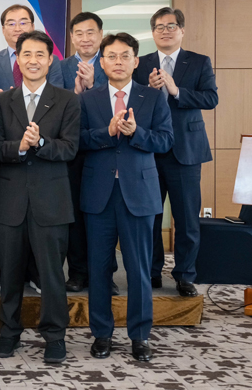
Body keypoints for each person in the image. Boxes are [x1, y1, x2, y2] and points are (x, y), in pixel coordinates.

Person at [80, 33, 174, 362]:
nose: (117, 62)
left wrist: (138, 134)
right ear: (101, 62)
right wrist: (104, 133)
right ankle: (102, 333)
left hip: (138, 194)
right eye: (111, 56)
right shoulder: (88, 99)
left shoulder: (153, 98)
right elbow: (76, 142)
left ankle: (140, 335)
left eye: (124, 56)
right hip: (99, 196)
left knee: (138, 268)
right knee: (100, 268)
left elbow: (165, 142)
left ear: (136, 61)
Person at [0, 30, 79, 364]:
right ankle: (9, 332)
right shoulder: (2, 101)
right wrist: (20, 147)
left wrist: (41, 144)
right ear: (18, 59)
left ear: (50, 59)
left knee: (51, 276)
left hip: (51, 201)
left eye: (40, 54)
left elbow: (71, 148)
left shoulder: (67, 99)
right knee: (10, 274)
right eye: (27, 54)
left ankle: (55, 336)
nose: (33, 61)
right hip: (10, 200)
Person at [132, 7, 218, 297]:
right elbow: (128, 100)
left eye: (171, 26)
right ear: (152, 32)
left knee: (186, 219)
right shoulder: (141, 64)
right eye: (159, 27)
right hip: (149, 151)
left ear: (182, 30)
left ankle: (185, 275)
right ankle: (153, 271)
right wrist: (148, 89)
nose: (165, 31)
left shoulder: (199, 61)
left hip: (186, 152)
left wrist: (176, 90)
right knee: (149, 217)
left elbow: (211, 98)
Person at [59, 12, 113, 293]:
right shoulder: (60, 67)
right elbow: (55, 105)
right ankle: (78, 272)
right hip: (73, 151)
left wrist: (93, 88)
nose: (85, 38)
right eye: (79, 33)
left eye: (90, 32)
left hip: (104, 150)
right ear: (71, 38)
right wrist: (76, 92)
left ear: (100, 35)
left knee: (103, 215)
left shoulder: (112, 64)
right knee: (76, 215)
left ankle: (105, 273)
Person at [0, 4, 64, 94]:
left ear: (33, 27)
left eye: (23, 23)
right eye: (11, 24)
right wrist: (0, 101)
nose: (17, 29)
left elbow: (57, 95)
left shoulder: (50, 60)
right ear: (3, 30)